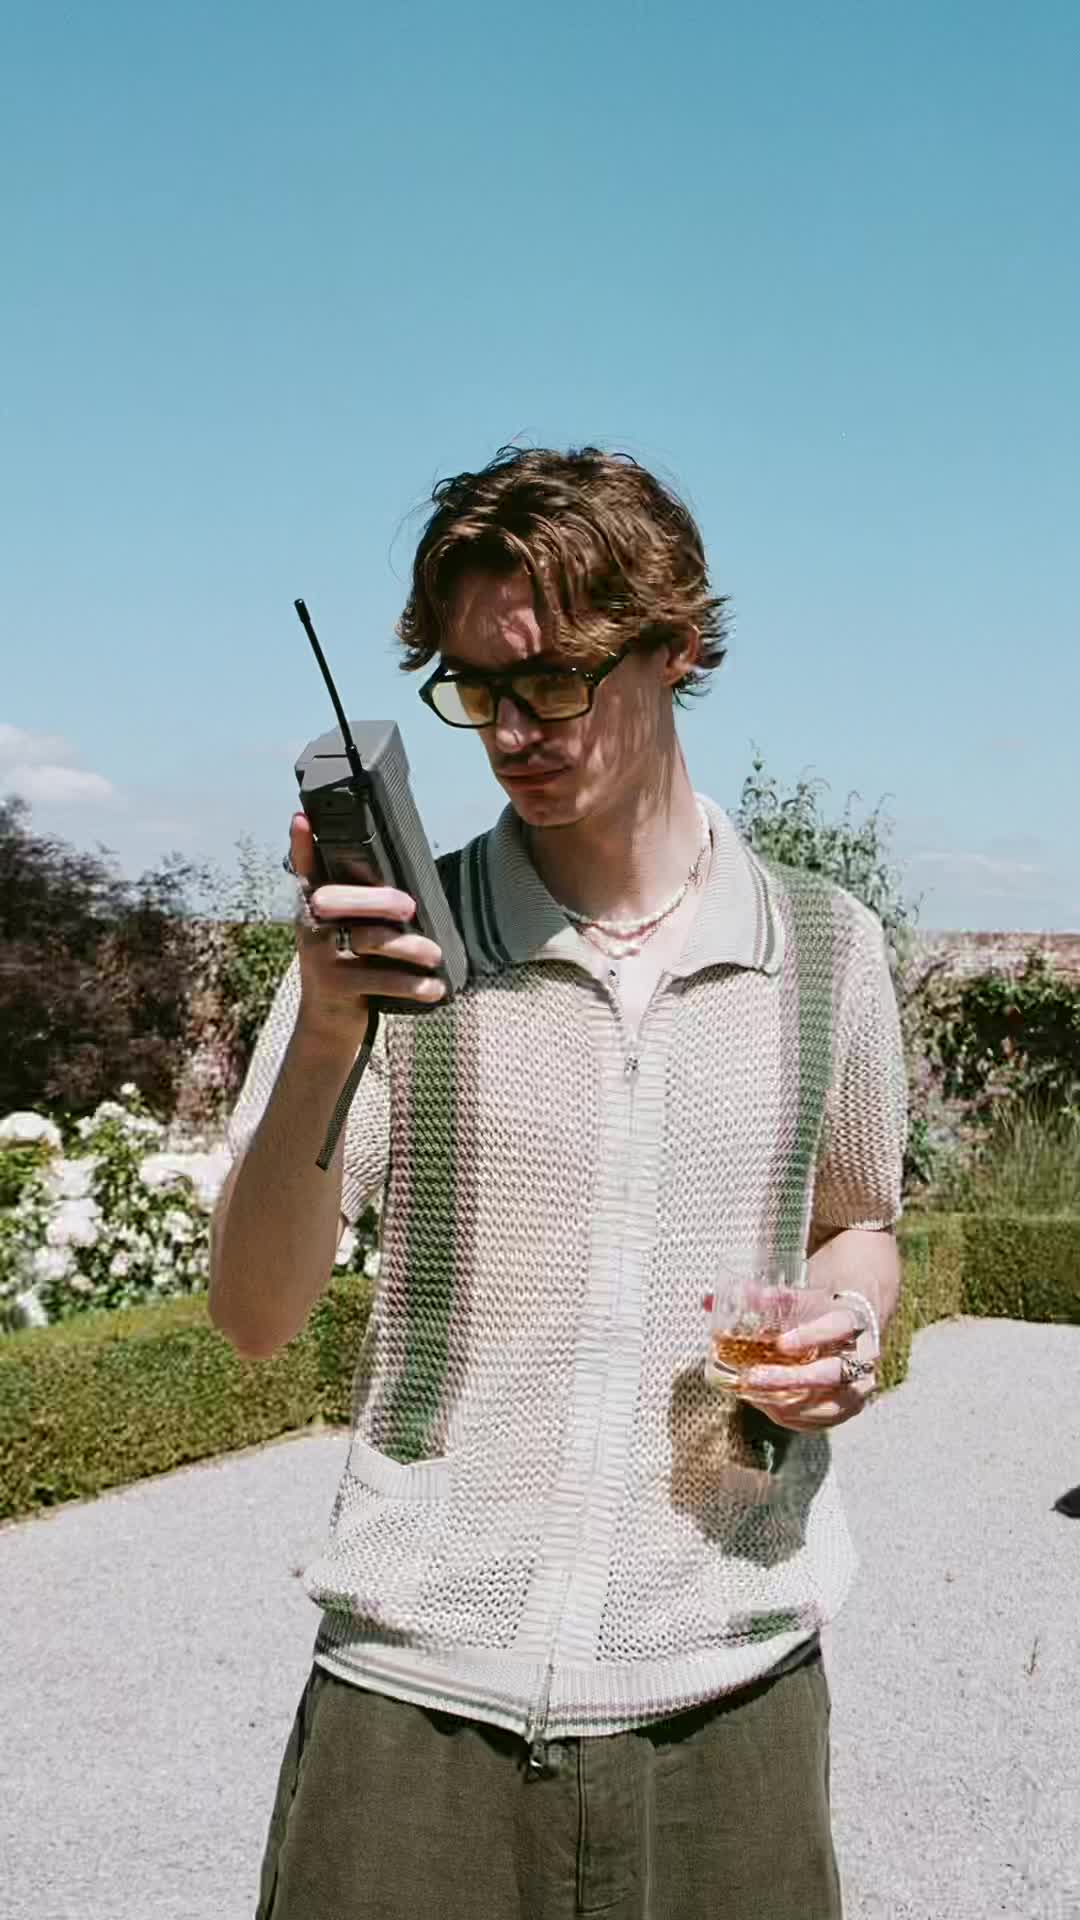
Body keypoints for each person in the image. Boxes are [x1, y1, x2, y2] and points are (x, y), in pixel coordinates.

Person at [209, 445, 908, 1920]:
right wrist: (327, 1029)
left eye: (557, 679)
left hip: (732, 1697)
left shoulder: (827, 952)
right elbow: (254, 1316)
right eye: (476, 690)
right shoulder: (389, 951)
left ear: (677, 647)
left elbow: (858, 1222)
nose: (514, 732)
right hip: (413, 1708)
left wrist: (849, 1325)